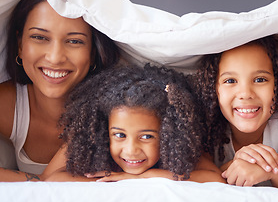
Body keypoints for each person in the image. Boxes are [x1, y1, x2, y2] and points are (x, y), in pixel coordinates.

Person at [0, 0, 119, 181]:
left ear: (93, 53)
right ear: (20, 45)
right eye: (39, 37)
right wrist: (42, 180)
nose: (55, 58)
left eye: (74, 41)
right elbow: (49, 182)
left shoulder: (115, 112)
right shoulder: (8, 104)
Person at [44, 64, 225, 183]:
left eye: (146, 136)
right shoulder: (90, 146)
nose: (131, 150)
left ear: (170, 134)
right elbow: (50, 179)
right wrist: (110, 181)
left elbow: (214, 178)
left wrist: (142, 177)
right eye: (119, 135)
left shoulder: (178, 155)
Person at [193, 35, 278, 189]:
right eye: (230, 81)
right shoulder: (205, 133)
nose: (246, 93)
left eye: (260, 79)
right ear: (213, 89)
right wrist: (235, 165)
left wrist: (272, 171)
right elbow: (199, 183)